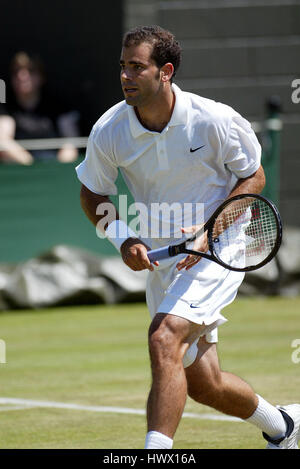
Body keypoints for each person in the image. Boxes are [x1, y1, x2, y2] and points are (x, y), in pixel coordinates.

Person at [76, 25, 300, 449]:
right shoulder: (110, 129)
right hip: (164, 258)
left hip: (220, 246)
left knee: (164, 339)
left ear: (166, 71)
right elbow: (92, 192)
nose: (125, 75)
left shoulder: (213, 119)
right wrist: (123, 239)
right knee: (204, 383)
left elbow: (254, 176)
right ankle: (284, 428)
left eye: (137, 67)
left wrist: (209, 231)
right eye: (122, 66)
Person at [0, 52, 80, 164]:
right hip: (21, 170)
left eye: (30, 71)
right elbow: (3, 141)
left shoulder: (58, 105)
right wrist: (30, 165)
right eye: (16, 71)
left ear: (41, 76)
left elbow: (71, 143)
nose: (22, 76)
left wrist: (56, 169)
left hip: (55, 169)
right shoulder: (5, 106)